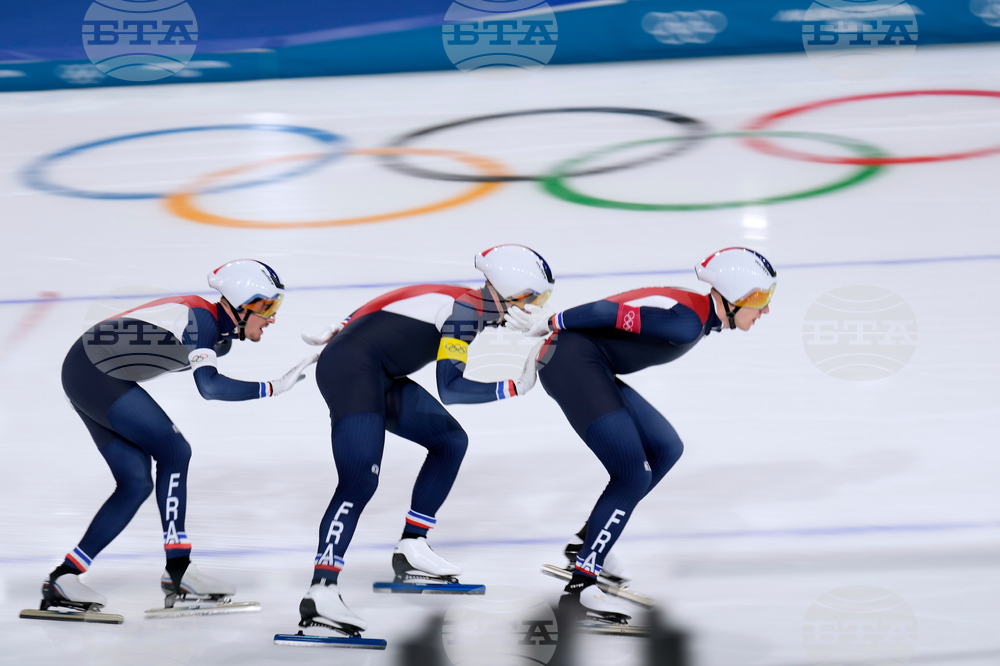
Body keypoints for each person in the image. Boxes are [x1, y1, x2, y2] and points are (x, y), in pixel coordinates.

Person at [505, 247, 776, 625]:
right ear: (732, 296)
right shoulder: (686, 321)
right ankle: (582, 586)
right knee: (633, 473)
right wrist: (551, 322)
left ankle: (587, 543)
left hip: (588, 362)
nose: (766, 310)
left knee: (666, 448)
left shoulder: (695, 314)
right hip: (570, 362)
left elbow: (615, 311)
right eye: (760, 299)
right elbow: (605, 312)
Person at [297, 244, 555, 637]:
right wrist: (512, 388)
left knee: (450, 441)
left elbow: (396, 296)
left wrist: (346, 322)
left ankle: (412, 547)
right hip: (351, 371)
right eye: (534, 299)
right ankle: (321, 590)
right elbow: (451, 388)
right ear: (510, 293)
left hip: (373, 370)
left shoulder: (464, 300)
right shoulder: (465, 315)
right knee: (359, 481)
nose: (535, 308)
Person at [40, 259, 318, 614]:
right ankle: (179, 570)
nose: (273, 317)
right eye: (266, 306)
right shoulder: (201, 319)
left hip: (91, 371)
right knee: (174, 450)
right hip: (93, 370)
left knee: (136, 482)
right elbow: (210, 387)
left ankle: (64, 577)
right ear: (239, 303)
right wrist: (274, 387)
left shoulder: (219, 338)